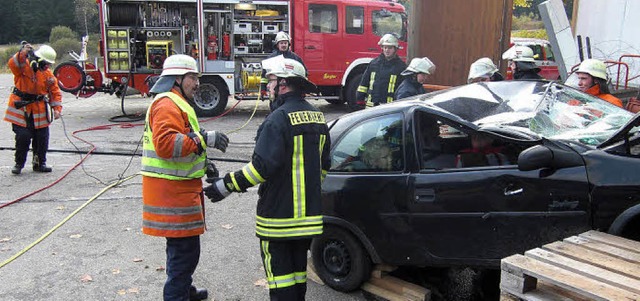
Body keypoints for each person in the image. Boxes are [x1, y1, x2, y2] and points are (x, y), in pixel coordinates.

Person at [204, 57, 330, 301]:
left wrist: (225, 186)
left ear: (283, 84)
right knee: (297, 279)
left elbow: (261, 169)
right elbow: (323, 167)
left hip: (278, 221)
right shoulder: (318, 118)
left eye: (271, 81)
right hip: (308, 221)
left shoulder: (277, 120)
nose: (268, 87)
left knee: (281, 283)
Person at [141, 54, 229, 301]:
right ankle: (177, 295)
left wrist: (204, 162)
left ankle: (184, 290)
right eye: (192, 77)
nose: (197, 83)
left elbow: (184, 141)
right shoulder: (168, 104)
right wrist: (205, 139)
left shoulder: (176, 102)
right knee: (185, 253)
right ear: (176, 79)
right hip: (172, 196)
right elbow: (167, 145)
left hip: (176, 192)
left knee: (182, 251)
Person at [4, 43, 62, 174]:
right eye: (46, 63)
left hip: (39, 109)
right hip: (21, 108)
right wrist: (23, 52)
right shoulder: (23, 67)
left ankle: (40, 163)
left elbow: (55, 92)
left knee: (42, 137)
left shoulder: (48, 75)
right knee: (23, 137)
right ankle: (19, 164)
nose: (47, 66)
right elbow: (13, 63)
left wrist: (57, 109)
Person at [356, 33, 407, 108]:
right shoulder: (374, 64)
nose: (387, 50)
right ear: (382, 48)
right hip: (371, 107)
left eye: (390, 48)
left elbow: (403, 89)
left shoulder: (401, 67)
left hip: (390, 107)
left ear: (395, 49)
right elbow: (364, 83)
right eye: (385, 47)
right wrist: (360, 99)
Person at [260, 31, 306, 108]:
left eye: (285, 43)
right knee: (275, 108)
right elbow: (264, 75)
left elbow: (304, 73)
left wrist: (303, 90)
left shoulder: (295, 58)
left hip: (291, 90)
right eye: (281, 43)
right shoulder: (271, 58)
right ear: (277, 45)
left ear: (288, 44)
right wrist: (263, 89)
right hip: (276, 91)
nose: (283, 45)